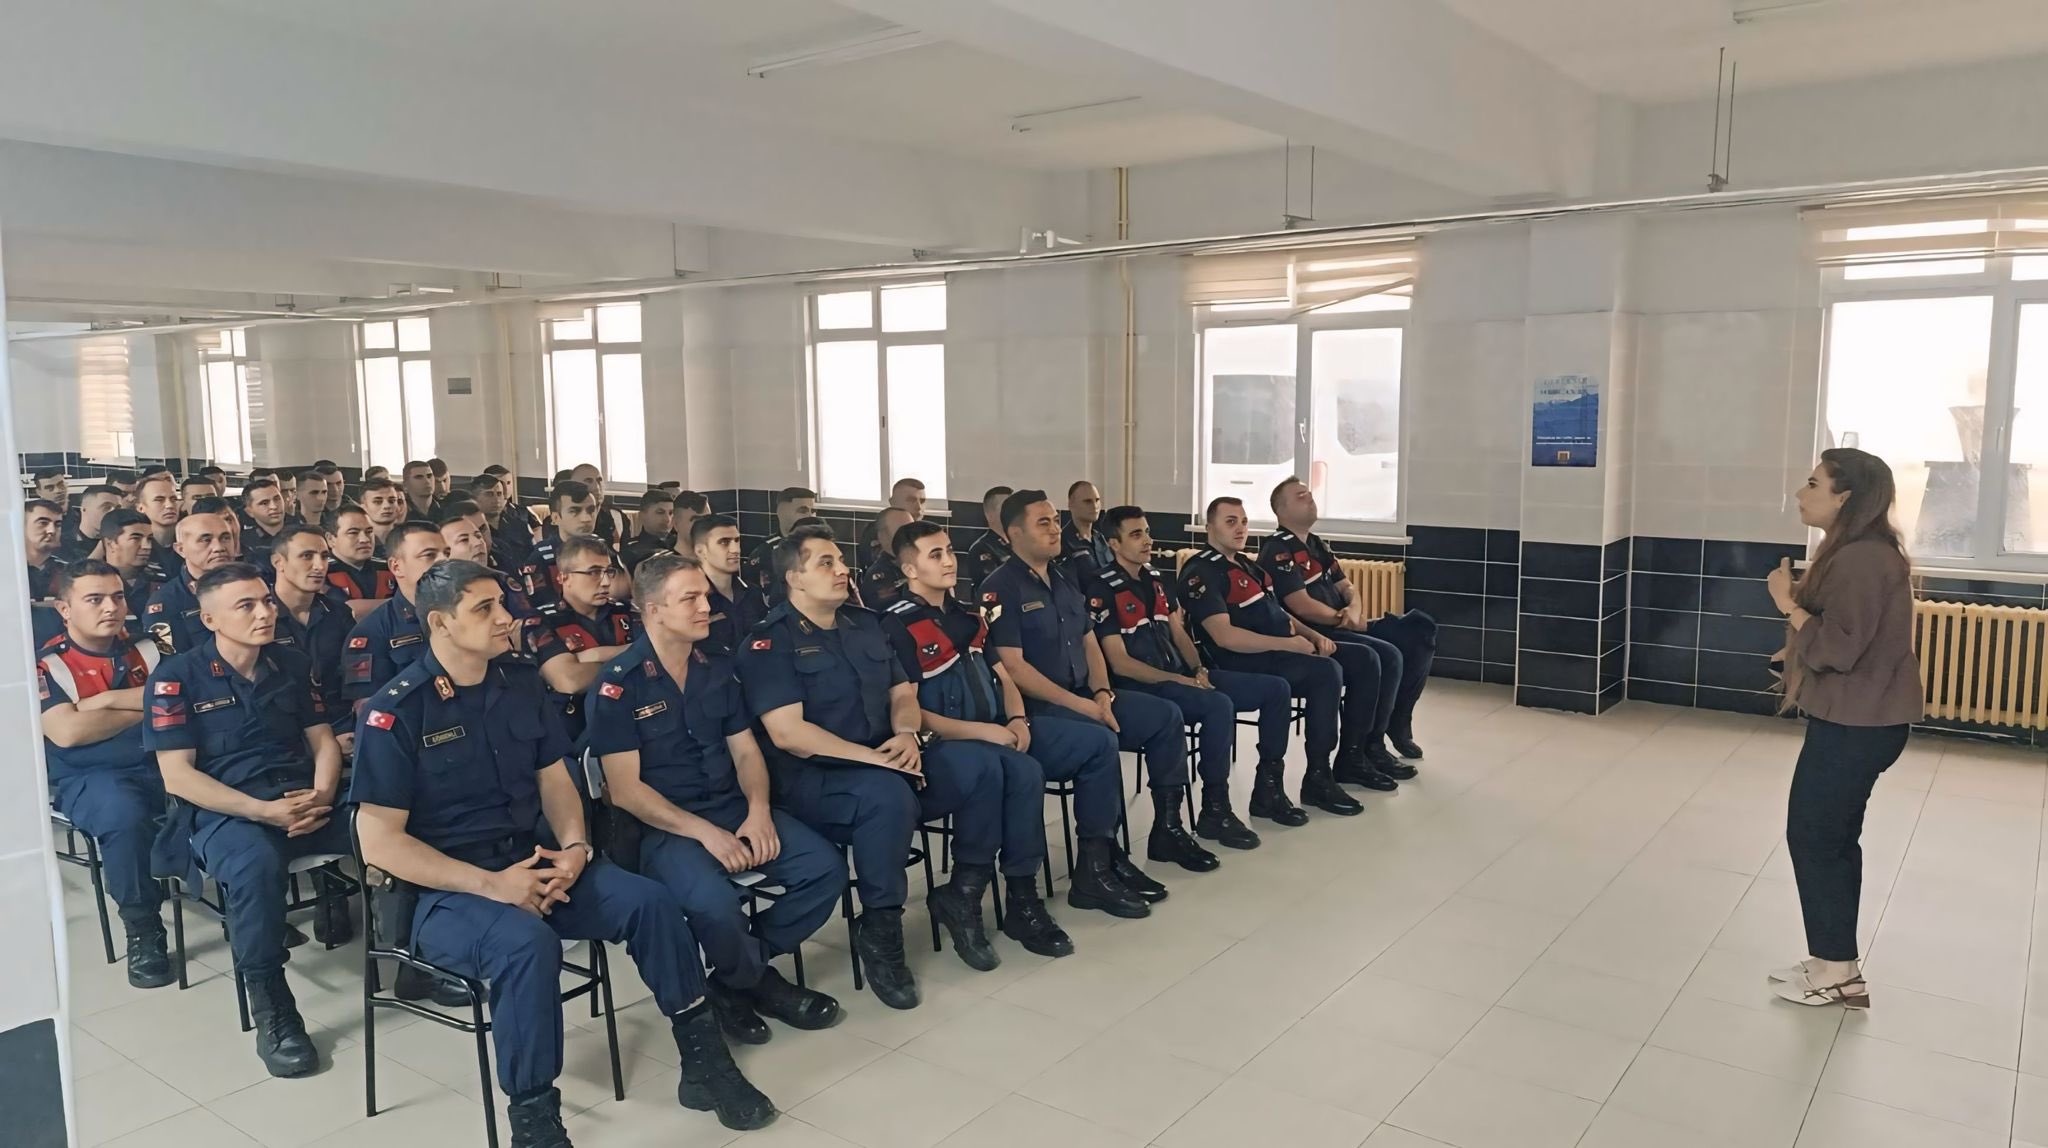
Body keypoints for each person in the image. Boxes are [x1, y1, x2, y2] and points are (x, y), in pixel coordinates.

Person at [351, 559, 774, 1140]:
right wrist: (494, 885)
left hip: (541, 864)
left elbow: (555, 779)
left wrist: (576, 847)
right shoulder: (396, 710)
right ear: (440, 623)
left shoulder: (519, 683)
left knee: (651, 903)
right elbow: (379, 844)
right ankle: (534, 1119)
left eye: (503, 603)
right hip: (445, 893)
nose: (506, 617)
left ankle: (704, 1064)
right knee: (525, 946)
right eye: (485, 608)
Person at [737, 525, 1028, 1008]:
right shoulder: (769, 642)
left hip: (888, 757)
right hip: (815, 778)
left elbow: (902, 693)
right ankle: (880, 927)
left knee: (983, 765)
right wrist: (877, 759)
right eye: (826, 563)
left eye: (840, 560)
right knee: (887, 796)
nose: (842, 569)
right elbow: (789, 734)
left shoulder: (865, 624)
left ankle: (963, 891)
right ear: (794, 578)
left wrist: (906, 734)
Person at [588, 553, 846, 1044]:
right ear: (653, 610)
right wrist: (704, 833)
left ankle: (734, 978)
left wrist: (759, 812)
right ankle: (755, 981)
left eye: (705, 596)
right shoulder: (618, 685)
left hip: (731, 807)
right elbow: (625, 790)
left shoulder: (717, 668)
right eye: (691, 598)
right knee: (714, 905)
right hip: (665, 828)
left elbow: (746, 752)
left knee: (824, 869)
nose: (706, 607)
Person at [145, 563, 350, 1078]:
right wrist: (263, 811)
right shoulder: (175, 679)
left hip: (302, 798)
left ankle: (416, 955)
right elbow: (177, 776)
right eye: (247, 606)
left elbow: (323, 740)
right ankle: (272, 1007)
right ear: (210, 619)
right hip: (229, 810)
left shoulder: (291, 662)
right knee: (255, 865)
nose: (265, 613)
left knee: (388, 820)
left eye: (266, 601)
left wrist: (322, 795)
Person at [882, 520, 1137, 933]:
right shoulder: (897, 624)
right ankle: (1020, 894)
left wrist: (1017, 718)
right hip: (946, 743)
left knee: (1098, 743)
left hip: (1000, 729)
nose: (949, 561)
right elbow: (910, 711)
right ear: (910, 569)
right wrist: (988, 733)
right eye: (935, 555)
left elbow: (1003, 677)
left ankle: (1096, 863)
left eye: (949, 551)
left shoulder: (969, 616)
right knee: (1024, 771)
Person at [982, 490, 1218, 878]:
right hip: (1037, 709)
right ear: (1015, 533)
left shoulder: (1063, 578)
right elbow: (1014, 668)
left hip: (1086, 695)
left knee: (1165, 716)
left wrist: (1102, 693)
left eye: (1055, 521)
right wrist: (1084, 707)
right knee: (1101, 739)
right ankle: (1098, 859)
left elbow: (1090, 641)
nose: (1055, 529)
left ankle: (1168, 829)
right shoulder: (1000, 587)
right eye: (1043, 523)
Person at [1767, 449, 1922, 1010]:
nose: (1800, 492)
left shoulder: (1861, 559)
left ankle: (1837, 972)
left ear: (1845, 497)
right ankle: (1834, 962)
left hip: (1858, 725)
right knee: (1829, 838)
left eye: (1813, 483)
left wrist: (1787, 603)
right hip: (1856, 719)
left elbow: (1838, 648)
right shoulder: (1858, 553)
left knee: (1816, 838)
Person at [1088, 506, 1282, 851]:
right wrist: (1180, 681)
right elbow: (1119, 663)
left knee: (1275, 689)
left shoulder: (1154, 578)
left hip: (1178, 676)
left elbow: (1177, 633)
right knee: (1217, 706)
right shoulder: (1101, 587)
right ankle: (1201, 813)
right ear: (1114, 544)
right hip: (1138, 685)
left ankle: (1265, 791)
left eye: (1148, 532)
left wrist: (1197, 670)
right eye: (1136, 534)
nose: (1147, 540)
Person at [40, 560, 173, 988]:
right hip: (92, 775)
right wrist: (149, 706)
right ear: (65, 609)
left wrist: (102, 702)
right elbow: (68, 731)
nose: (111, 607)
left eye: (117, 597)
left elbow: (185, 700)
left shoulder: (150, 648)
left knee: (228, 782)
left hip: (165, 760)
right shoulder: (49, 665)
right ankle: (143, 928)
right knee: (123, 815)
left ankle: (241, 908)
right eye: (94, 599)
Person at [1179, 498, 1355, 818]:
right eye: (1230, 521)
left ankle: (1322, 771)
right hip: (1233, 660)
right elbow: (1225, 637)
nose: (1241, 528)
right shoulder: (1202, 571)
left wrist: (1311, 636)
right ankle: (1274, 787)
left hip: (1270, 651)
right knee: (1323, 673)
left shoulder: (1248, 566)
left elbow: (1281, 615)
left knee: (1335, 666)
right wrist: (1288, 645)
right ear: (1209, 527)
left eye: (1244, 521)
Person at [1262, 478, 1431, 775]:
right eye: (1300, 495)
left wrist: (1354, 609)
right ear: (1282, 510)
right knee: (1385, 655)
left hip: (1342, 624)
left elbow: (1347, 586)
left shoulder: (1316, 544)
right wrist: (1342, 618)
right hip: (1317, 634)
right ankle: (1361, 749)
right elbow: (1300, 605)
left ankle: (1397, 722)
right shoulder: (1278, 550)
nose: (1310, 498)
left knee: (1419, 630)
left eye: (1309, 493)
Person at [528, 534, 637, 734]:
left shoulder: (626, 611)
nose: (606, 582)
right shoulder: (541, 620)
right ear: (563, 578)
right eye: (594, 572)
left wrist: (594, 655)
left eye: (608, 571)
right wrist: (635, 655)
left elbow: (660, 653)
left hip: (632, 718)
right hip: (574, 728)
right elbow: (570, 681)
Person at [342, 522, 448, 714]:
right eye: (429, 555)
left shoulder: (466, 616)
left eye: (446, 553)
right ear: (396, 567)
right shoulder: (370, 633)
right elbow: (369, 711)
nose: (444, 561)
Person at [267, 524, 355, 754]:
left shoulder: (338, 613)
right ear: (279, 562)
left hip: (344, 724)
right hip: (288, 736)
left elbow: (355, 675)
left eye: (324, 556)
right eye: (307, 556)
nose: (319, 566)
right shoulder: (261, 618)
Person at [140, 512, 239, 655]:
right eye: (206, 540)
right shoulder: (167, 601)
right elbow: (168, 662)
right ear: (181, 549)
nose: (219, 547)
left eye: (225, 538)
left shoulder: (255, 586)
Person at [522, 480, 604, 605]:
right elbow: (539, 605)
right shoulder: (541, 557)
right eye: (574, 511)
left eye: (591, 510)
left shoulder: (603, 548)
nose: (586, 518)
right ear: (555, 518)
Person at [691, 514, 759, 658]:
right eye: (724, 542)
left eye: (737, 540)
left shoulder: (753, 593)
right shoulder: (691, 600)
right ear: (700, 551)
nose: (735, 549)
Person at [746, 487, 815, 603]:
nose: (810, 516)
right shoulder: (766, 552)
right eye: (803, 511)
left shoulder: (822, 547)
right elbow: (756, 596)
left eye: (812, 511)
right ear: (782, 513)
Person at [324, 505, 397, 608]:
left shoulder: (389, 568)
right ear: (331, 539)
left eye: (369, 532)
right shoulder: (322, 571)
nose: (365, 539)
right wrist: (396, 604)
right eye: (353, 533)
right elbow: (345, 611)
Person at [856, 478, 927, 565]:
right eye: (911, 500)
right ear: (893, 502)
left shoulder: (923, 531)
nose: (919, 507)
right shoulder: (879, 531)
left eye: (922, 501)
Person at [961, 485, 1013, 601]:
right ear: (990, 514)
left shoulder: (1019, 544)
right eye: (1006, 507)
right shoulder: (981, 549)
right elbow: (991, 591)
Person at [856, 506, 913, 610]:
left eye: (912, 529)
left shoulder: (917, 561)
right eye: (900, 530)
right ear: (883, 536)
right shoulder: (880, 575)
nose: (909, 536)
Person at [1060, 481, 1114, 581]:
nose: (1095, 506)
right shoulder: (1062, 541)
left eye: (1097, 500)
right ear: (1071, 504)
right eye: (1087, 501)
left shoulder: (1100, 538)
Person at [136, 473, 184, 581]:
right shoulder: (137, 548)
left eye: (173, 499)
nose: (169, 505)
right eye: (159, 499)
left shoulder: (190, 541)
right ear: (141, 508)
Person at [59, 484, 124, 562]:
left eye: (118, 508)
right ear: (84, 509)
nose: (114, 513)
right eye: (107, 507)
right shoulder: (61, 543)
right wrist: (103, 546)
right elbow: (74, 570)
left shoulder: (124, 541)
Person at [621, 488, 678, 573]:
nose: (667, 519)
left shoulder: (680, 544)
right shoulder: (631, 551)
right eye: (660, 512)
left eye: (671, 513)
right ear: (642, 515)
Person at [485, 464, 541, 548]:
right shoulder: (480, 514)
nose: (506, 488)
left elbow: (538, 532)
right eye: (500, 483)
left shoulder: (523, 511)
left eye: (508, 483)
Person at [240, 477, 290, 564]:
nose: (274, 506)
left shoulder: (303, 535)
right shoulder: (243, 543)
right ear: (249, 511)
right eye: (264, 503)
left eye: (277, 499)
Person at [26, 498, 68, 601]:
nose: (52, 531)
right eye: (43, 523)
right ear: (21, 526)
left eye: (58, 525)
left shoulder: (69, 572)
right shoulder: (7, 570)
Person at [360, 476, 407, 557]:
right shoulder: (358, 542)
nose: (387, 506)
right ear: (363, 507)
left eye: (392, 501)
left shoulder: (410, 539)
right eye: (377, 502)